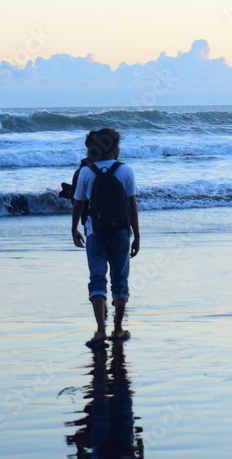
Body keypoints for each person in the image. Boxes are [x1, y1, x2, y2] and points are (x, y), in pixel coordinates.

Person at [71, 128, 140, 346]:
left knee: (97, 278)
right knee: (120, 279)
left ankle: (100, 330)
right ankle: (118, 330)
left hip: (95, 231)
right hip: (121, 231)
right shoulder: (125, 171)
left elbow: (78, 204)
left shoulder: (86, 172)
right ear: (113, 147)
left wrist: (74, 228)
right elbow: (132, 206)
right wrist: (137, 235)